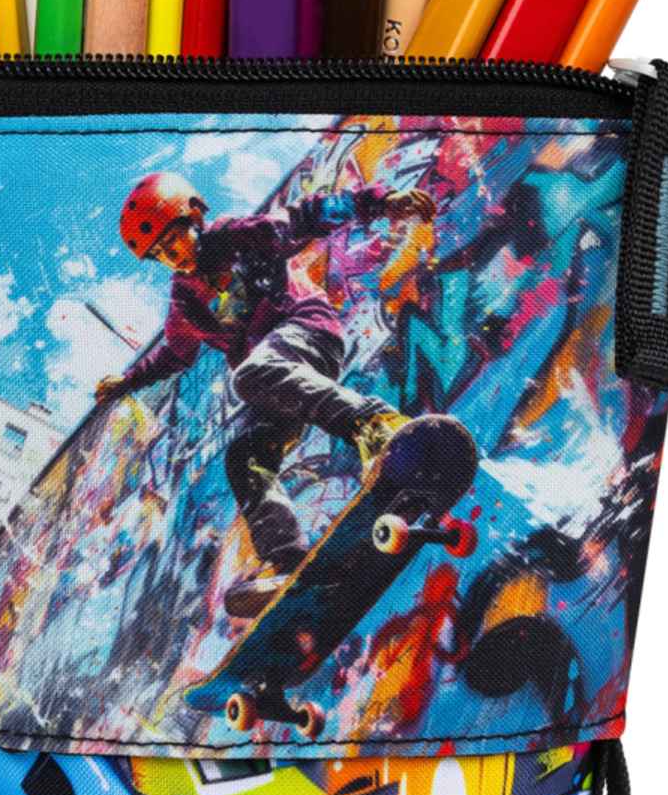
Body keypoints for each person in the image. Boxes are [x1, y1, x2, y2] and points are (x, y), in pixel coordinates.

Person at [96, 169, 435, 615]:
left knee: (252, 372)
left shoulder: (237, 237)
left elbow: (306, 216)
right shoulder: (184, 302)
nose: (173, 256)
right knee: (245, 457)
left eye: (174, 240)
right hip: (273, 382)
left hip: (309, 332)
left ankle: (376, 424)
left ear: (194, 219)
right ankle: (289, 561)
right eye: (160, 254)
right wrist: (128, 382)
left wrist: (382, 201)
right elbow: (175, 354)